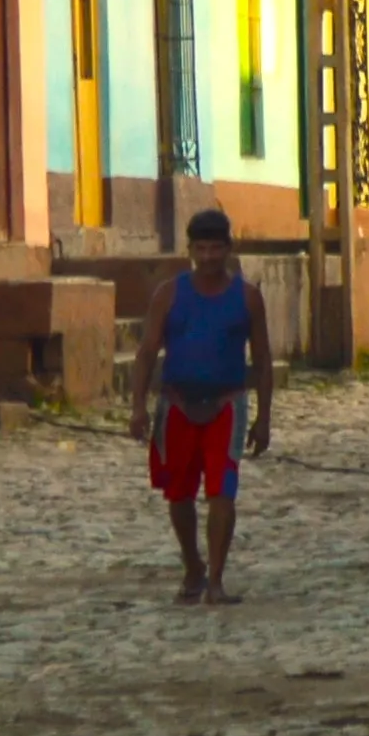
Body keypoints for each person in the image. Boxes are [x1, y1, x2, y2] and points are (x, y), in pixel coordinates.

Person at [145, 209, 275, 606]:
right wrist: (137, 407)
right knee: (178, 495)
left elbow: (264, 360)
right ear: (191, 250)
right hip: (178, 405)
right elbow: (147, 350)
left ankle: (216, 579)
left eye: (215, 248)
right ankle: (193, 567)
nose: (208, 256)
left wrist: (264, 418)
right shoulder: (168, 294)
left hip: (227, 405)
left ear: (228, 249)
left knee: (223, 491)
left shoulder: (248, 298)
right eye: (201, 248)